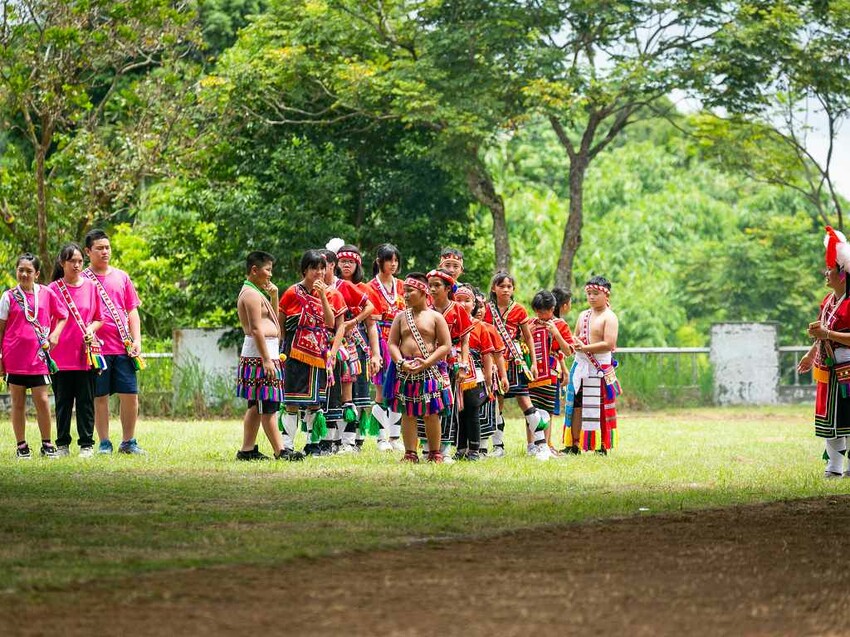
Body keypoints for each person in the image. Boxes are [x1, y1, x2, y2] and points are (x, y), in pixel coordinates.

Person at [83, 228, 145, 455]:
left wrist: (137, 340)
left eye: (107, 247)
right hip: (96, 350)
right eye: (99, 248)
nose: (104, 252)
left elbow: (132, 311)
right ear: (88, 251)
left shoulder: (122, 276)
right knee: (100, 397)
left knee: (130, 394)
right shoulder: (83, 280)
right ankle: (104, 443)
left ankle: (129, 442)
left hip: (124, 347)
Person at [0, 254, 68, 459]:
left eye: (29, 271)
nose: (24, 274)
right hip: (14, 358)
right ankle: (22, 446)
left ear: (37, 274)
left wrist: (55, 334)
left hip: (39, 358)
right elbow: (1, 329)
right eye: (21, 269)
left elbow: (63, 315)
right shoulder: (8, 296)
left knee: (43, 401)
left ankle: (47, 444)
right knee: (18, 403)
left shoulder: (47, 294)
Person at [482, 271, 550, 460]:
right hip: (495, 363)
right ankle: (498, 447)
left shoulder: (519, 309)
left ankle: (540, 444)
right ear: (493, 288)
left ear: (513, 289)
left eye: (509, 286)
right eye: (501, 286)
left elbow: (528, 337)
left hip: (515, 361)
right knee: (497, 404)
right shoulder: (486, 310)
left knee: (525, 402)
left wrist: (534, 363)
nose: (505, 289)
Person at [385, 273, 452, 463]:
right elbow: (392, 344)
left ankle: (435, 452)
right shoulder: (400, 317)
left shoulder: (436, 317)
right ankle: (410, 453)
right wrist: (401, 362)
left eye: (409, 291)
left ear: (423, 291)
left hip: (429, 371)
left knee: (430, 413)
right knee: (408, 413)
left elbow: (445, 345)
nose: (405, 295)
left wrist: (428, 362)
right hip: (405, 371)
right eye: (404, 291)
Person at [800, 227, 850, 478]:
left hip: (848, 370)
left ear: (842, 275)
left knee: (848, 420)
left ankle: (847, 467)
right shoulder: (828, 301)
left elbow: (829, 333)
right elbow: (823, 330)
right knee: (830, 420)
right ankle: (834, 468)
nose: (825, 274)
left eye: (830, 270)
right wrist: (811, 354)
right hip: (827, 369)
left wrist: (828, 335)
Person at [235, 251, 293, 461]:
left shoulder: (256, 292)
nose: (270, 274)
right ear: (254, 270)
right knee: (267, 405)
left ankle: (247, 449)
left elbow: (274, 322)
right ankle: (281, 451)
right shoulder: (250, 294)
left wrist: (274, 296)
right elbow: (257, 329)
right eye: (267, 269)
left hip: (265, 354)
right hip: (260, 357)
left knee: (256, 405)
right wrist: (267, 359)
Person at [49, 243, 105, 458]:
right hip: (60, 356)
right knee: (62, 403)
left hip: (85, 355)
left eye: (80, 261)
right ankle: (62, 445)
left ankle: (87, 444)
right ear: (62, 263)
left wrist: (91, 329)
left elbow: (100, 318)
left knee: (85, 402)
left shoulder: (91, 287)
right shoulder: (52, 289)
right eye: (72, 261)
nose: (77, 265)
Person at [278, 250, 335, 456]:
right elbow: (281, 322)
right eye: (314, 268)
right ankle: (287, 444)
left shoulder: (327, 293)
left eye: (322, 268)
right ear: (305, 270)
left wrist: (321, 295)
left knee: (315, 402)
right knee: (291, 400)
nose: (319, 272)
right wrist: (281, 348)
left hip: (318, 354)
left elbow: (330, 323)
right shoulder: (292, 292)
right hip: (295, 353)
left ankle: (313, 443)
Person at [564, 276, 620, 455]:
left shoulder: (609, 317)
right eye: (589, 293)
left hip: (599, 369)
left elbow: (609, 344)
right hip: (580, 366)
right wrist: (576, 341)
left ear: (606, 295)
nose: (591, 297)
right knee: (575, 406)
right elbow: (576, 336)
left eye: (595, 293)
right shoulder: (583, 315)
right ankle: (574, 444)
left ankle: (601, 446)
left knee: (601, 408)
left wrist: (585, 347)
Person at [333, 244, 382, 452]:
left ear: (358, 264)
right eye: (343, 261)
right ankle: (335, 438)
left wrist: (376, 353)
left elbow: (372, 325)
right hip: (335, 343)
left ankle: (354, 439)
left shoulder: (365, 289)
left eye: (351, 262)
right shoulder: (332, 286)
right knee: (337, 393)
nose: (346, 265)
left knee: (359, 394)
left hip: (358, 344)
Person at [426, 268, 473, 459]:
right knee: (427, 403)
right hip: (427, 361)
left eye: (437, 285)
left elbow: (465, 339)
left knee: (447, 405)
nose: (433, 289)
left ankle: (443, 450)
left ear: (448, 288)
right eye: (430, 286)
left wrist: (463, 365)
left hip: (450, 362)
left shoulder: (457, 310)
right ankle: (427, 447)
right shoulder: (425, 309)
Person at [368, 243, 406, 451]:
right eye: (389, 260)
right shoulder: (370, 287)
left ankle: (394, 437)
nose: (393, 264)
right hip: (381, 340)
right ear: (379, 262)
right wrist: (375, 352)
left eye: (396, 260)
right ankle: (381, 438)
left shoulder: (402, 286)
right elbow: (372, 323)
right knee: (381, 390)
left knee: (399, 390)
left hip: (401, 340)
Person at [528, 290, 575, 456]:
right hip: (533, 372)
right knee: (531, 409)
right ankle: (531, 445)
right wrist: (528, 331)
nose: (541, 315)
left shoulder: (560, 325)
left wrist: (555, 333)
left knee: (547, 410)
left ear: (552, 308)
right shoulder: (531, 323)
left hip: (551, 373)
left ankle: (545, 444)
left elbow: (569, 351)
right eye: (537, 311)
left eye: (544, 311)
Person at [453, 284, 496, 460]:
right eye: (459, 300)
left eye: (467, 301)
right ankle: (461, 448)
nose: (463, 304)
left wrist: (488, 378)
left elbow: (487, 354)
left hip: (475, 375)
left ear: (474, 304)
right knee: (459, 412)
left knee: (471, 410)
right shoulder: (449, 324)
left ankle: (474, 450)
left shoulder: (480, 326)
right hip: (455, 374)